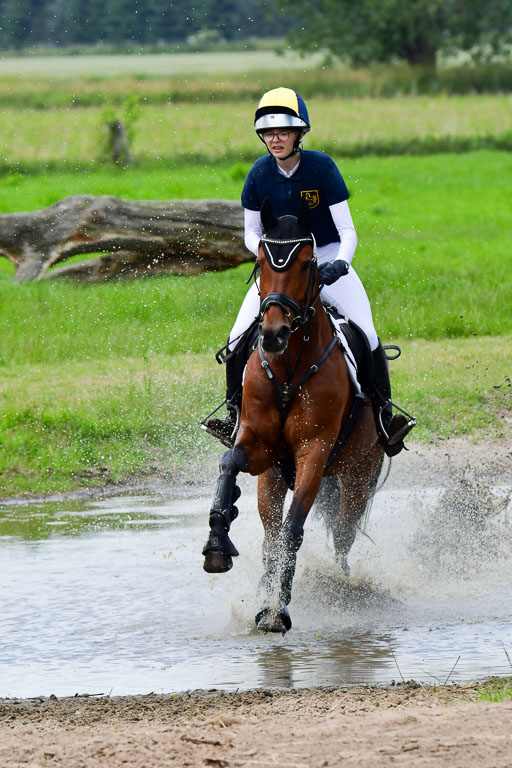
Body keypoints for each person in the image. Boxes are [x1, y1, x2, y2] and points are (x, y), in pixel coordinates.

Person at [206, 87, 415, 456]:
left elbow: (348, 230)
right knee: (238, 337)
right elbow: (250, 233)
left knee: (366, 332)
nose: (275, 139)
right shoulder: (258, 172)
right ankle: (233, 415)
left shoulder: (321, 167)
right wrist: (270, 256)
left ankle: (384, 416)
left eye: (283, 132)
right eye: (268, 133)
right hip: (281, 266)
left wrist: (341, 264)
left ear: (298, 134)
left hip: (328, 255)